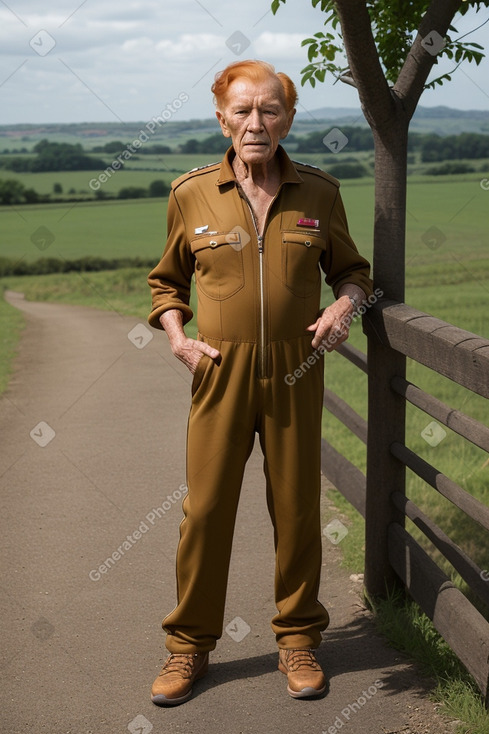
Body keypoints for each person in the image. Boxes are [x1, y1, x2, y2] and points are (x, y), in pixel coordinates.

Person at [147, 59, 373, 706]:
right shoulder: (190, 192)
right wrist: (177, 338)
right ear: (221, 117)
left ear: (289, 118)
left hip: (296, 370)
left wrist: (340, 307)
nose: (256, 123)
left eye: (269, 109)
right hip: (219, 371)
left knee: (297, 508)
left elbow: (351, 271)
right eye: (242, 110)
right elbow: (167, 281)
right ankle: (187, 647)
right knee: (206, 511)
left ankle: (297, 640)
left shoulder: (320, 192)